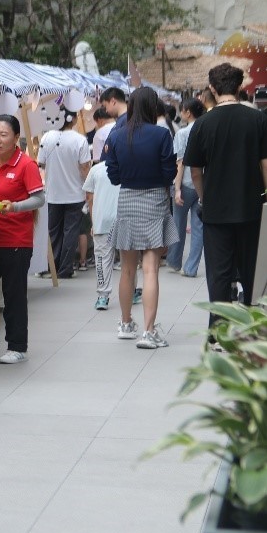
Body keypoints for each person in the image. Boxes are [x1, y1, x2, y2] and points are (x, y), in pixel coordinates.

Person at [184, 63, 267, 321]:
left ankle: (218, 330)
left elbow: (195, 171)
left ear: (212, 88)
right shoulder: (258, 119)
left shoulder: (202, 124)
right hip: (251, 208)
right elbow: (266, 165)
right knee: (253, 273)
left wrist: (204, 197)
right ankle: (253, 328)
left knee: (219, 276)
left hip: (216, 211)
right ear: (240, 86)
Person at [104, 87, 178, 349]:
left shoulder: (117, 135)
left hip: (127, 200)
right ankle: (148, 332)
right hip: (155, 200)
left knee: (126, 269)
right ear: (153, 107)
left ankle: (125, 324)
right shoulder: (161, 134)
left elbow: (113, 175)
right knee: (150, 269)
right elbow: (169, 172)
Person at [0, 114, 45, 364]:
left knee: (14, 294)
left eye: (3, 135)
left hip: (16, 240)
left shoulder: (26, 165)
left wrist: (15, 206)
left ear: (16, 138)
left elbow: (39, 199)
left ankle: (17, 346)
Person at [36, 108, 92, 278]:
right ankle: (65, 269)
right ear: (73, 119)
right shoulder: (80, 140)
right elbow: (84, 168)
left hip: (53, 193)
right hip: (75, 193)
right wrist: (89, 187)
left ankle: (51, 266)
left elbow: (41, 163)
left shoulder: (46, 137)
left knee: (53, 231)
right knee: (71, 232)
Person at [167, 97, 206, 277]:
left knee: (178, 224)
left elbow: (180, 162)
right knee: (198, 228)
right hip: (202, 184)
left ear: (188, 112)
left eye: (182, 110)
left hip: (185, 184)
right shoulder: (206, 129)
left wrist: (177, 189)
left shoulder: (183, 133)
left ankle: (175, 261)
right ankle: (191, 267)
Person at [83, 160, 121, 310]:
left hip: (102, 220)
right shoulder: (129, 165)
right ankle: (131, 291)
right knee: (128, 260)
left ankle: (103, 296)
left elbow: (89, 198)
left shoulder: (96, 169)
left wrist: (94, 221)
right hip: (124, 218)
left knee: (102, 258)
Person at [91, 87, 127, 161]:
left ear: (113, 101)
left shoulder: (126, 121)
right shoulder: (123, 120)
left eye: (105, 106)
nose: (106, 111)